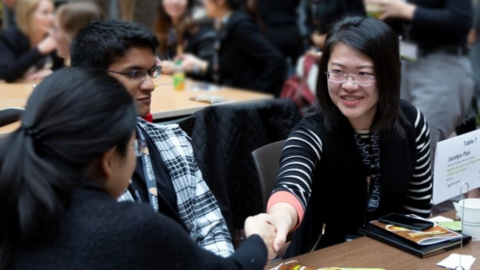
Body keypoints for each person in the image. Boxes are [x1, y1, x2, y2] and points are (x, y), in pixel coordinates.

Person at [0, 67, 276, 270]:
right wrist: (257, 242)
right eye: (135, 145)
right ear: (109, 160)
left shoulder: (19, 205)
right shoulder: (130, 227)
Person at [253, 16, 433, 258]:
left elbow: (417, 212)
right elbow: (292, 182)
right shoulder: (310, 133)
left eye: (364, 73)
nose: (349, 85)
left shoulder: (412, 123)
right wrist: (278, 220)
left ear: (388, 73)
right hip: (324, 258)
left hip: (392, 255)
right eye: (338, 72)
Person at [70, 19, 235, 257]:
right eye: (134, 73)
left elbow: (212, 230)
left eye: (151, 72)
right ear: (90, 77)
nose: (150, 85)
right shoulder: (73, 164)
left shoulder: (173, 141)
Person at [364, 0, 474, 162]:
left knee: (421, 146)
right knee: (397, 143)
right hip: (406, 63)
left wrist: (406, 10)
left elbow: (461, 19)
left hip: (442, 64)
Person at [178, 0, 287, 96]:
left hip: (245, 105)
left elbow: (276, 60)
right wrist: (197, 64)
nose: (203, 2)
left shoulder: (241, 27)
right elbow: (229, 67)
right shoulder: (227, 24)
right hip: (232, 98)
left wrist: (256, 94)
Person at [0, 0, 63, 82]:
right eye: (45, 13)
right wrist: (39, 49)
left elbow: (63, 66)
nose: (51, 18)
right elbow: (6, 74)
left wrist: (52, 71)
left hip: (44, 88)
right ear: (27, 15)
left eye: (52, 12)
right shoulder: (8, 37)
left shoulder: (50, 36)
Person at [154, 0, 216, 80]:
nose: (175, 2)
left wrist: (176, 67)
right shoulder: (169, 28)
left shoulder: (202, 27)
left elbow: (213, 70)